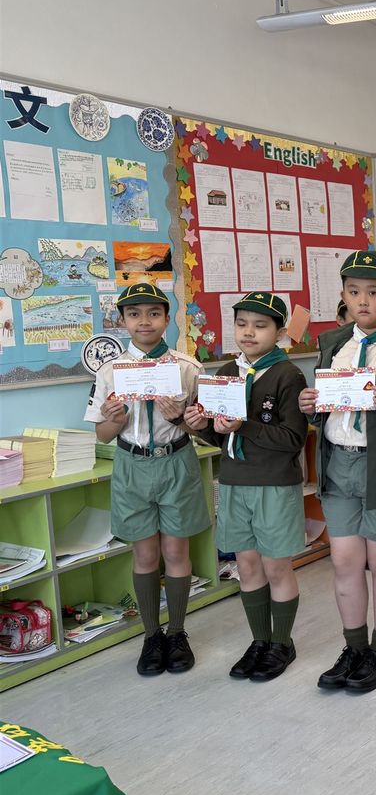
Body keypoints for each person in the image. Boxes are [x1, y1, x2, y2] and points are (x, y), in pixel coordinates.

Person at [298, 250, 376, 694]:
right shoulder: (333, 344)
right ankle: (354, 647)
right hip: (339, 463)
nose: (363, 301)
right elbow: (327, 408)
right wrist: (311, 406)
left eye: (374, 292)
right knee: (344, 560)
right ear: (344, 296)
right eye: (354, 292)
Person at [83, 282, 208, 675]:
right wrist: (113, 420)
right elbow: (102, 435)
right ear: (122, 321)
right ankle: (151, 635)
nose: (144, 322)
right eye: (134, 314)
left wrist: (179, 418)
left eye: (154, 313)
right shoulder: (109, 371)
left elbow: (203, 429)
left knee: (176, 552)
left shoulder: (188, 368)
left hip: (176, 462)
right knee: (145, 555)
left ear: (167, 319)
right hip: (132, 465)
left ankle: (177, 632)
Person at [184, 292, 307, 681]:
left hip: (273, 485)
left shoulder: (288, 375)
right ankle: (259, 640)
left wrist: (245, 425)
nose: (249, 332)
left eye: (260, 325)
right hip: (235, 481)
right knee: (247, 564)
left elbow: (293, 439)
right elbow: (218, 437)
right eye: (241, 324)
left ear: (280, 332)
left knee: (276, 566)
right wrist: (198, 426)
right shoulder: (224, 372)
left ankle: (281, 643)